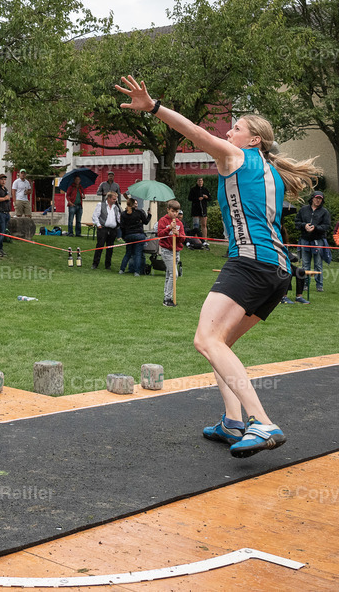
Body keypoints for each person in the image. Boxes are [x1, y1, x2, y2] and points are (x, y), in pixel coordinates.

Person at [117, 75, 322, 459]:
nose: (229, 132)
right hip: (277, 271)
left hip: (250, 262)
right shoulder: (271, 170)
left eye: (237, 128)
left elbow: (194, 132)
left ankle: (262, 422)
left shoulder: (236, 157)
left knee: (205, 340)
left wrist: (154, 107)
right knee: (220, 344)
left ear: (254, 139)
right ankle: (233, 421)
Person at [295, 191, 330, 293]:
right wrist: (304, 225)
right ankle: (305, 284)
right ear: (312, 199)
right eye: (316, 198)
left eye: (320, 199)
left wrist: (315, 228)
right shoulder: (303, 210)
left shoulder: (324, 212)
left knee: (318, 264)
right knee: (305, 264)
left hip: (317, 241)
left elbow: (326, 226)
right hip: (305, 240)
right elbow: (297, 222)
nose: (318, 200)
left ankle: (319, 285)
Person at [155, 200, 183, 305]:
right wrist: (169, 228)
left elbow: (183, 239)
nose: (175, 214)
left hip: (176, 251)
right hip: (166, 251)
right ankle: (167, 299)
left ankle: (167, 296)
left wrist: (178, 234)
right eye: (172, 211)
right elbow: (160, 234)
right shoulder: (163, 220)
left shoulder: (180, 223)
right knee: (174, 274)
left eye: (177, 212)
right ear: (168, 210)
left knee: (169, 274)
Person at [118, 196, 151, 276]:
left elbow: (121, 226)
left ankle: (122, 269)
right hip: (139, 235)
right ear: (134, 205)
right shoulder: (139, 212)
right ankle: (136, 272)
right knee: (138, 254)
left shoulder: (123, 214)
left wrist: (123, 236)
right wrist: (149, 214)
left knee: (128, 253)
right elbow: (146, 222)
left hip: (128, 236)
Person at [89, 191, 121, 269]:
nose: (115, 201)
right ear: (109, 198)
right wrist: (98, 224)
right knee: (100, 246)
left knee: (110, 247)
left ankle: (108, 265)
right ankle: (95, 263)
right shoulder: (101, 205)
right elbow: (95, 216)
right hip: (103, 228)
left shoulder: (116, 207)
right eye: (113, 199)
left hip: (113, 229)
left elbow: (118, 218)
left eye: (116, 199)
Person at [187, 177, 212, 248]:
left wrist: (206, 197)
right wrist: (197, 199)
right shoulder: (193, 190)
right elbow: (189, 198)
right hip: (195, 210)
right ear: (197, 182)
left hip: (203, 210)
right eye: (199, 181)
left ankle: (205, 239)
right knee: (196, 226)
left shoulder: (205, 189)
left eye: (201, 181)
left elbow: (210, 198)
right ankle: (196, 240)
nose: (200, 182)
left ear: (203, 182)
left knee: (204, 225)